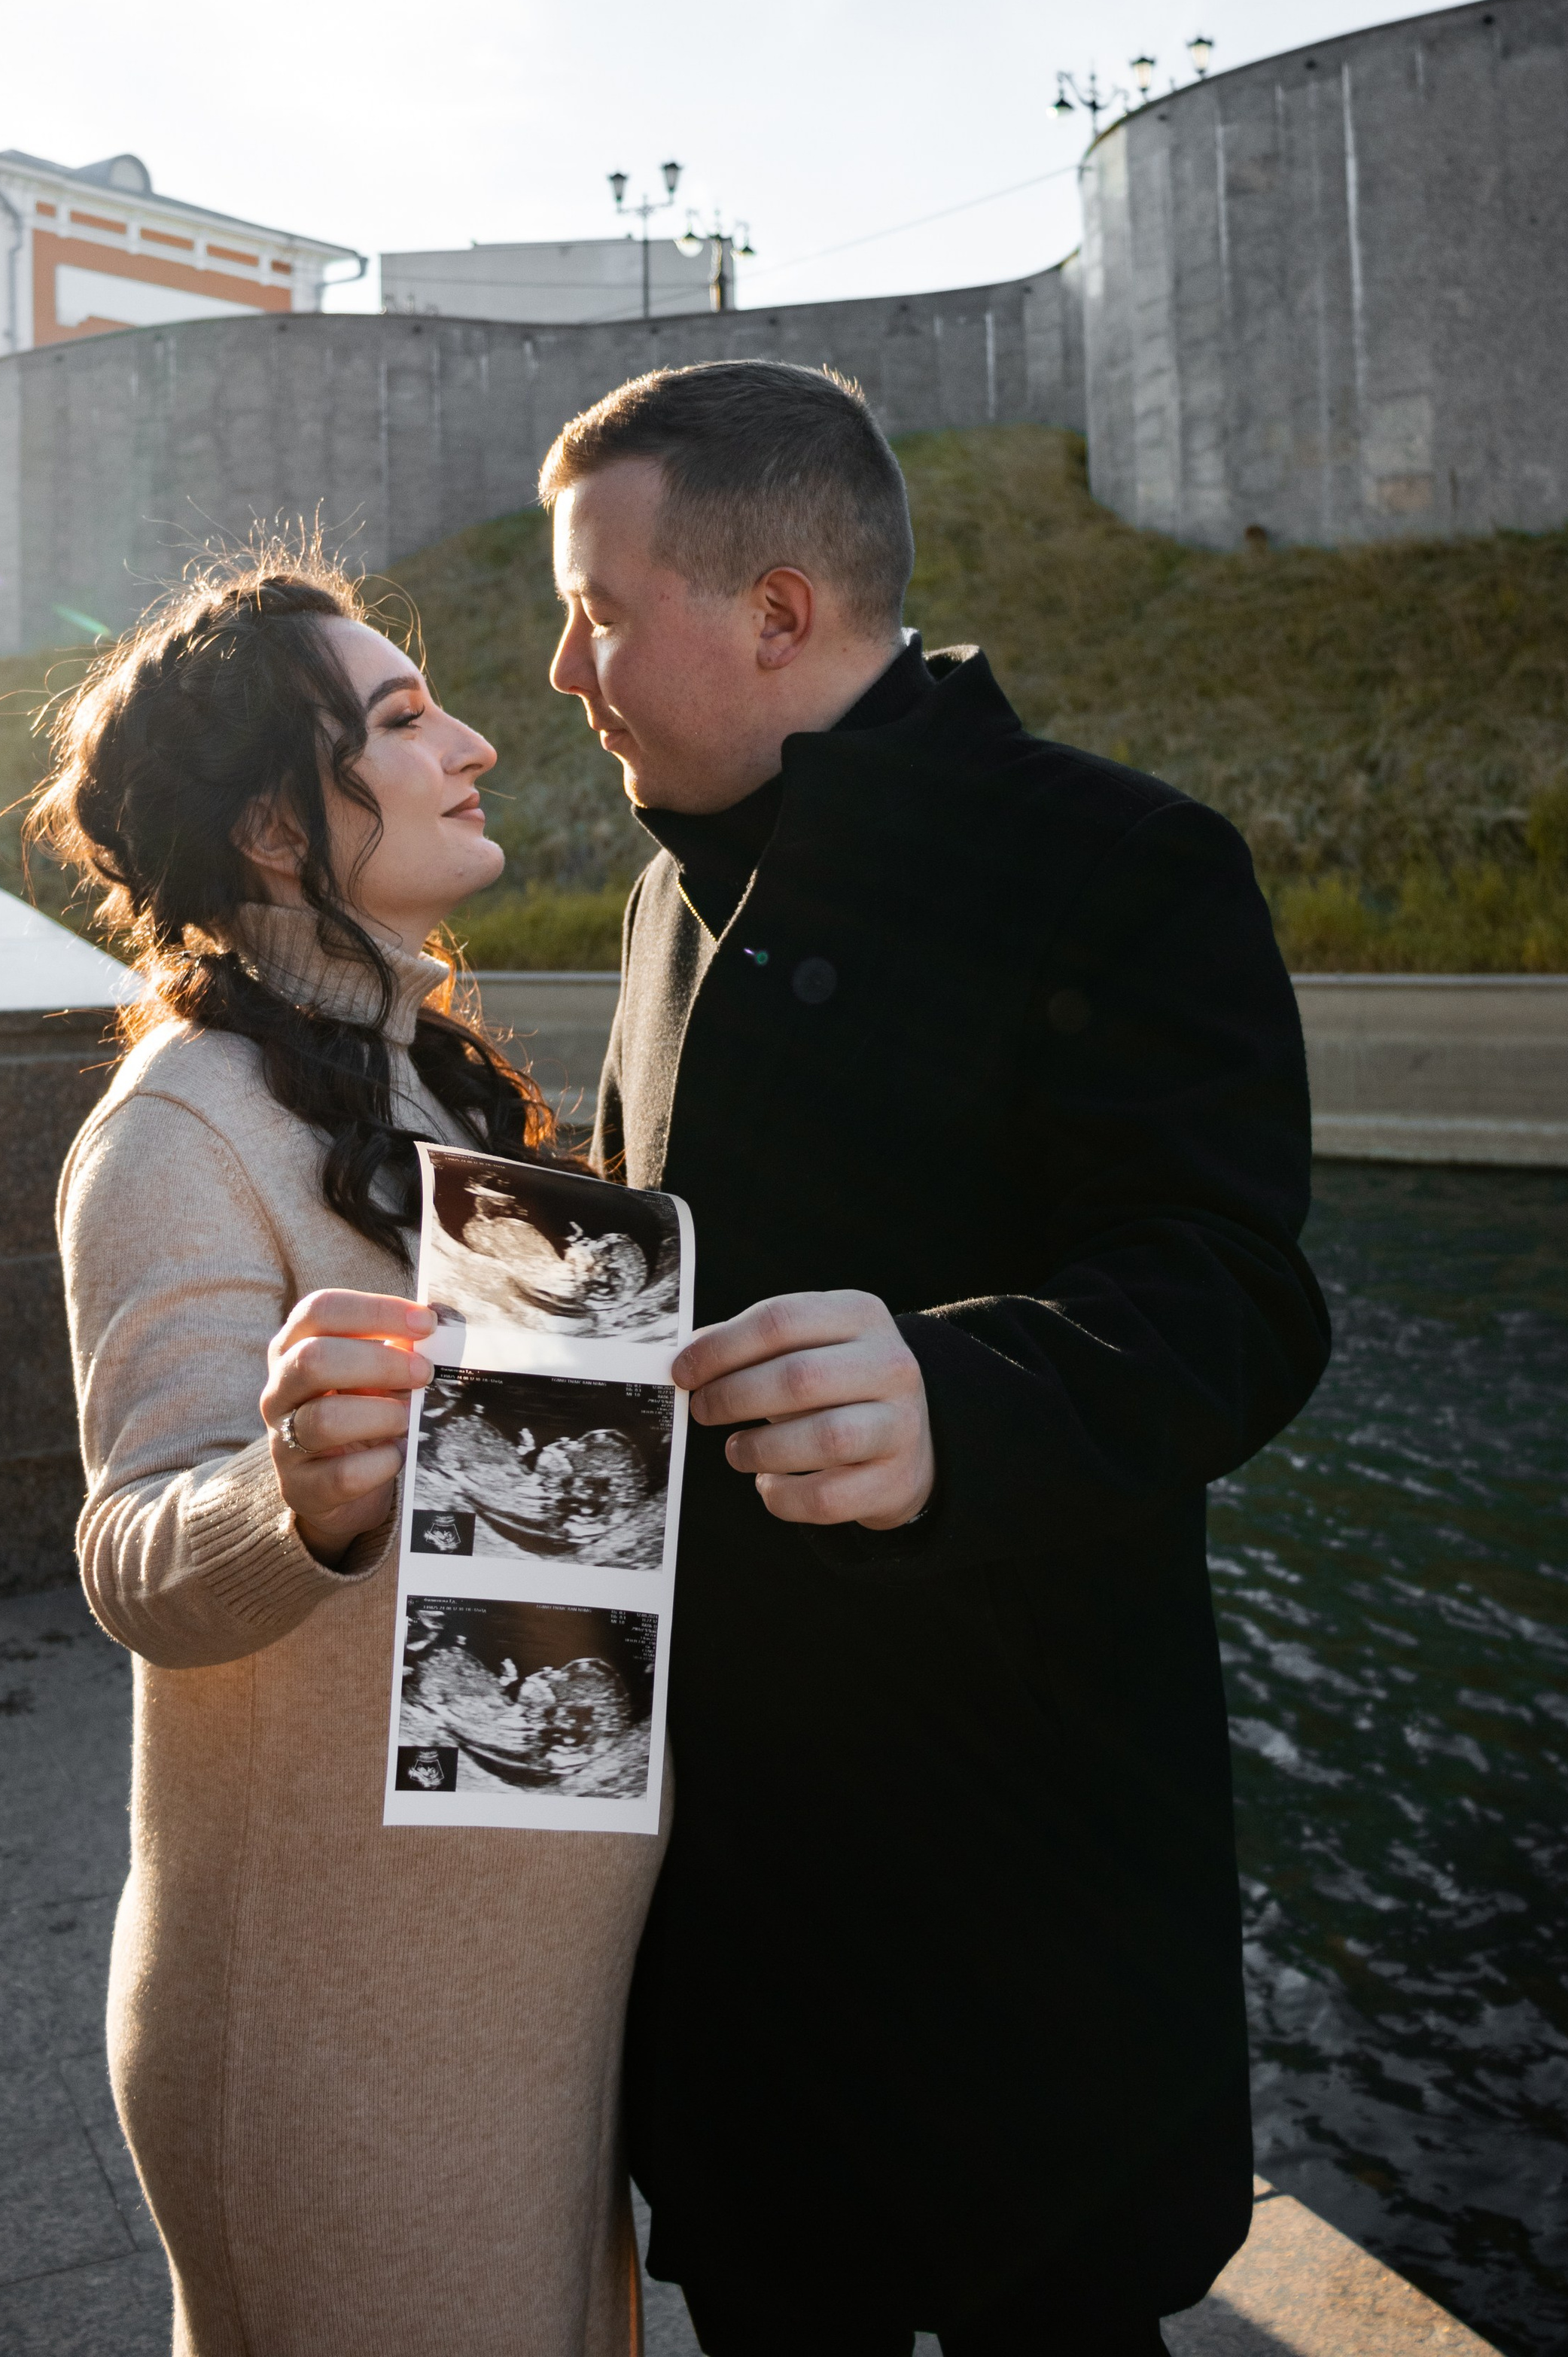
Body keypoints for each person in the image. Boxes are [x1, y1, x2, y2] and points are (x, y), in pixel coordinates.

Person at [540, 363, 1332, 2356]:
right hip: (738, 1936)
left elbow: (1230, 1293)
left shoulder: (1124, 857)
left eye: (601, 608)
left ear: (778, 614)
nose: (562, 665)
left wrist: (953, 1402)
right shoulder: (659, 891)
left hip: (1016, 1925)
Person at [33, 553, 661, 2357]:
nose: (470, 742)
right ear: (277, 831)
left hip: (529, 1983)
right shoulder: (174, 1127)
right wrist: (287, 1495)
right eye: (399, 721)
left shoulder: (434, 1085)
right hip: (342, 2023)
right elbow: (133, 1551)